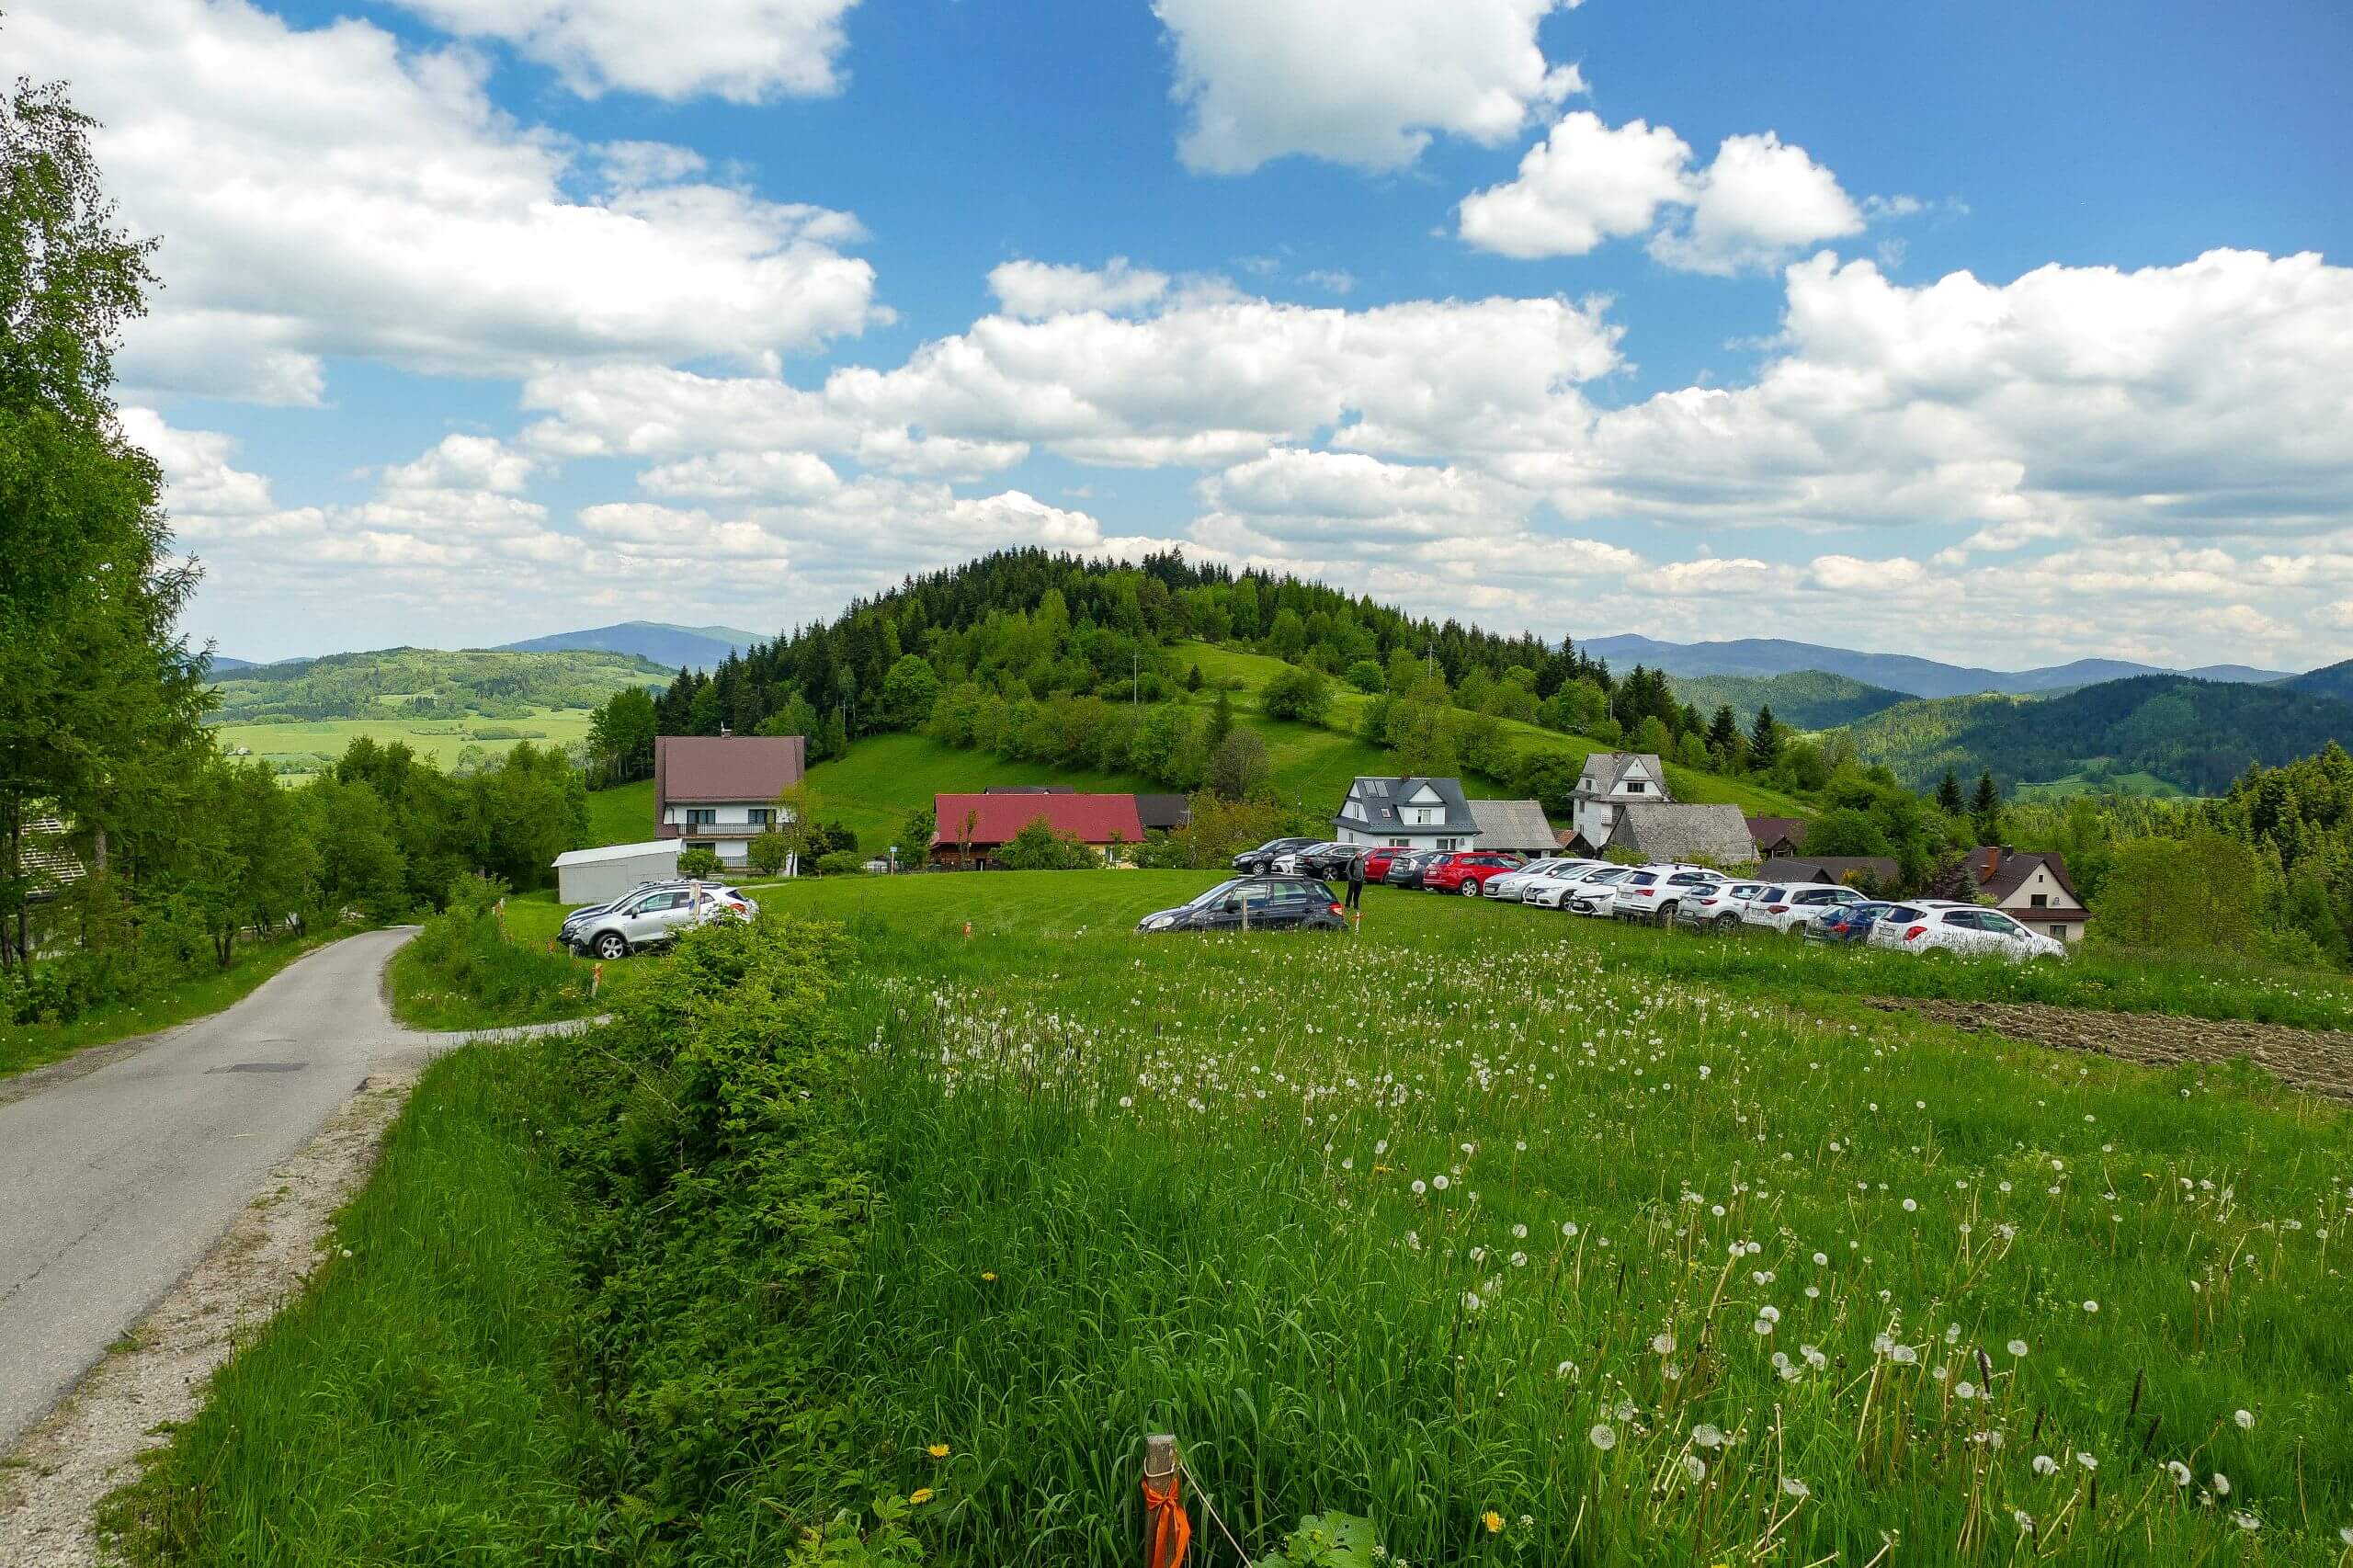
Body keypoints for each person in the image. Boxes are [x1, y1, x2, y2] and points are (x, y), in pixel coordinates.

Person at [1345, 847, 1367, 915]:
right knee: (1350, 893)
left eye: (1361, 854)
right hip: (1353, 880)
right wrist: (1350, 878)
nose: (1360, 855)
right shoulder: (1352, 860)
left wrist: (1363, 878)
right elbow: (1347, 869)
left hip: (1360, 880)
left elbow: (1363, 870)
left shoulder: (1363, 861)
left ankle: (1356, 906)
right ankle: (1347, 905)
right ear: (1356, 854)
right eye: (1358, 854)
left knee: (1357, 893)